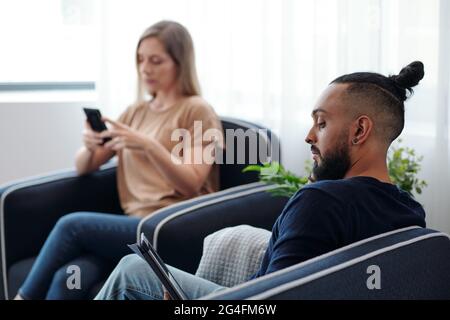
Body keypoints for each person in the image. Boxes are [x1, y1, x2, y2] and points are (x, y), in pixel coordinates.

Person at [94, 61, 427, 300]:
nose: (310, 136)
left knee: (132, 271)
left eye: (322, 124)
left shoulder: (320, 201)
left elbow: (270, 299)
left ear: (359, 130)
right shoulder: (409, 212)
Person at [15, 20, 223, 300]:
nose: (145, 69)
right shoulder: (136, 112)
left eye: (156, 60)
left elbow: (191, 182)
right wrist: (89, 146)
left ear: (179, 63)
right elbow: (83, 166)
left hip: (168, 225)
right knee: (71, 276)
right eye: (140, 60)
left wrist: (148, 145)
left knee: (71, 226)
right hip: (131, 227)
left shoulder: (197, 110)